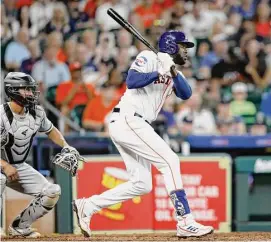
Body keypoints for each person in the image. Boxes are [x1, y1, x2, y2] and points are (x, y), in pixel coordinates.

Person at [73, 30, 214, 238]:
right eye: (183, 46)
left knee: (142, 184)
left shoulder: (172, 68)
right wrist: (159, 72)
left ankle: (89, 205)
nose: (186, 51)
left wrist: (171, 71)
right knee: (170, 161)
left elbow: (186, 94)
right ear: (172, 46)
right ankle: (185, 221)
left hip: (136, 124)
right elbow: (131, 80)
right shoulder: (148, 57)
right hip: (128, 119)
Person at [0, 72, 81, 237]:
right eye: (26, 89)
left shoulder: (37, 112)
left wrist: (66, 146)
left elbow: (51, 130)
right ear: (12, 90)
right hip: (2, 165)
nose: (30, 93)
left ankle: (19, 227)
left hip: (18, 165)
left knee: (52, 191)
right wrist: (5, 166)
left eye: (31, 89)